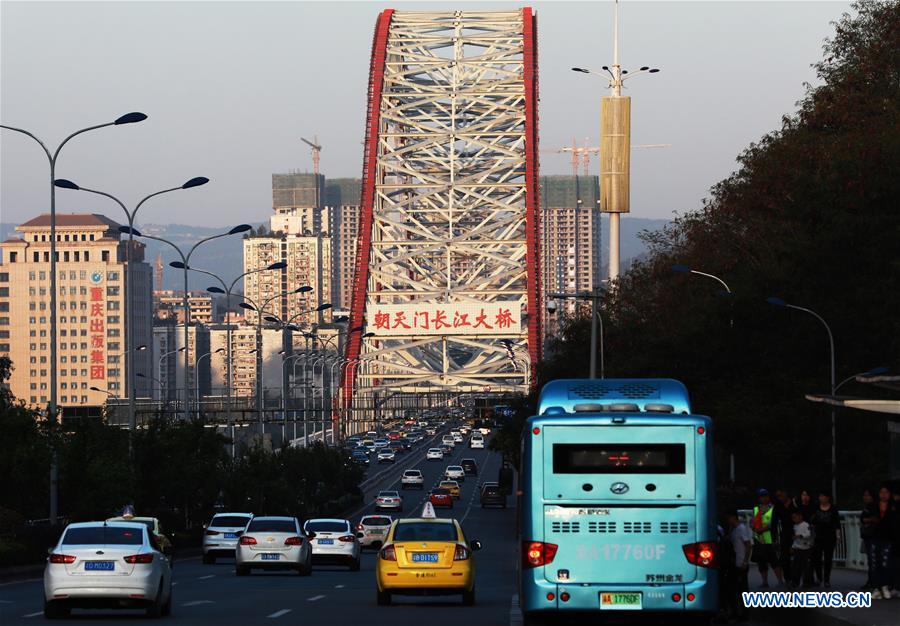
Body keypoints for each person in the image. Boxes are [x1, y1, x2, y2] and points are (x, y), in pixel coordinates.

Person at [862, 485, 896, 599]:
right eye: (881, 492)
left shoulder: (894, 506)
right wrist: (871, 520)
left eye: (886, 492)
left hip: (888, 538)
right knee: (874, 563)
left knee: (886, 563)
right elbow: (863, 518)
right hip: (874, 537)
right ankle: (877, 588)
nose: (884, 494)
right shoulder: (872, 506)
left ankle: (885, 586)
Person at [750, 489, 784, 587]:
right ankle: (764, 582)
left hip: (770, 539)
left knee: (774, 561)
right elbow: (752, 522)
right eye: (761, 497)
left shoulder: (773, 508)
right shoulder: (756, 509)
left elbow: (774, 523)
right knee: (761, 562)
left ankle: (780, 581)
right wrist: (753, 528)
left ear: (768, 497)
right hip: (759, 540)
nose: (764, 498)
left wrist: (763, 529)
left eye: (765, 496)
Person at [809, 491, 841, 587]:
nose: (821, 498)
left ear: (828, 498)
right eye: (820, 496)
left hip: (830, 537)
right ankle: (819, 578)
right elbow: (812, 520)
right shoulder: (816, 508)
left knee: (828, 559)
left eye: (823, 496)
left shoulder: (833, 509)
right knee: (817, 558)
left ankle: (827, 580)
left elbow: (837, 523)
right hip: (818, 536)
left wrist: (838, 536)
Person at [724, 511, 751, 621]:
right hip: (734, 563)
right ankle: (736, 612)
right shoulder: (734, 530)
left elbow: (748, 545)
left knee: (742, 590)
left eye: (729, 518)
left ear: (733, 517)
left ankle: (744, 614)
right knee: (733, 589)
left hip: (741, 563)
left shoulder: (742, 528)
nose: (727, 521)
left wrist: (745, 561)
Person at [773, 489, 797, 576]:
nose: (780, 498)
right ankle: (788, 577)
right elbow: (774, 521)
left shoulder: (794, 503)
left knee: (798, 554)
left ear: (786, 494)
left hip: (797, 530)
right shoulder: (778, 505)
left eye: (781, 495)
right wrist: (774, 537)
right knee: (784, 556)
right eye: (778, 496)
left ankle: (797, 576)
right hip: (785, 531)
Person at [788, 510, 813, 589]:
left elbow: (808, 534)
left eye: (795, 517)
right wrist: (793, 546)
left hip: (805, 549)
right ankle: (795, 582)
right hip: (797, 549)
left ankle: (807, 583)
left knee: (805, 567)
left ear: (800, 517)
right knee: (796, 566)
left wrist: (800, 536)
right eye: (793, 518)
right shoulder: (795, 526)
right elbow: (794, 539)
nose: (794, 519)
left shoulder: (806, 525)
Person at [860, 488, 876, 590]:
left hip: (873, 536)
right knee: (870, 560)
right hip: (867, 535)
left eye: (867, 495)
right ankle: (871, 581)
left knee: (873, 560)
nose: (865, 497)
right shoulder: (866, 507)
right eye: (864, 495)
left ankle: (873, 582)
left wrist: (867, 520)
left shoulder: (874, 507)